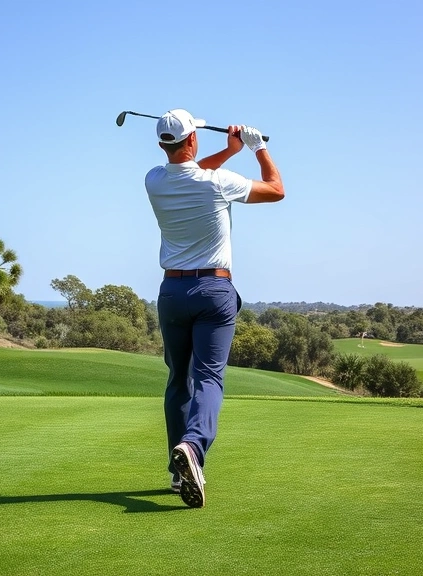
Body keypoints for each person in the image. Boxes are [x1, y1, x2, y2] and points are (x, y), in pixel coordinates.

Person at [144, 109, 284, 508]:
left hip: (171, 292)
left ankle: (178, 470)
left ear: (162, 144)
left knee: (178, 380)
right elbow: (276, 190)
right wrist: (255, 150)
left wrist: (229, 151)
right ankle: (193, 446)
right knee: (208, 377)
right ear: (193, 140)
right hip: (213, 291)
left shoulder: (153, 180)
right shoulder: (218, 183)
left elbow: (188, 171)